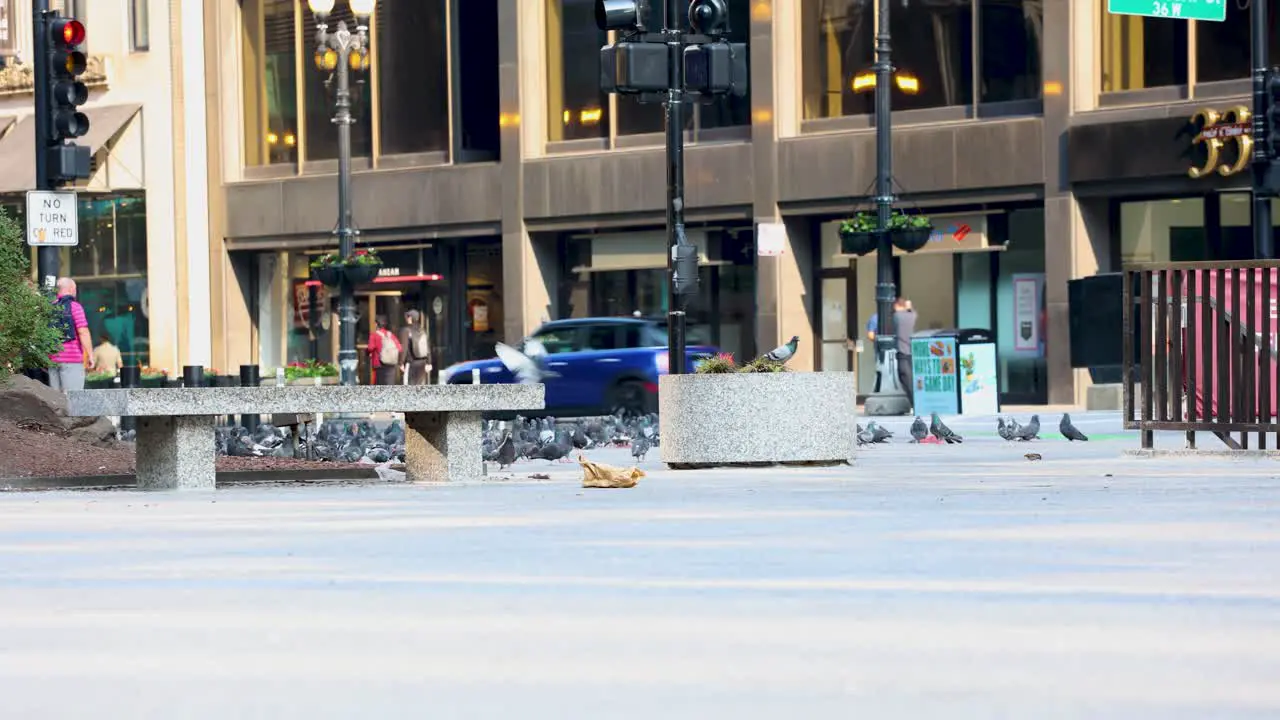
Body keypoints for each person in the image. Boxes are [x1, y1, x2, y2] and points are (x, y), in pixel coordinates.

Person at [48, 277, 94, 391]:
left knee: (56, 400)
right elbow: (83, 332)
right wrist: (90, 355)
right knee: (73, 398)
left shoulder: (50, 307)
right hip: (72, 360)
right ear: (72, 289)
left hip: (52, 360)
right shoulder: (75, 307)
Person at [893, 296, 917, 408]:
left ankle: (913, 402)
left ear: (897, 305)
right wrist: (909, 306)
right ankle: (914, 402)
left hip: (901, 350)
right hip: (910, 351)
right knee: (910, 377)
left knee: (904, 377)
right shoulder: (912, 316)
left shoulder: (897, 316)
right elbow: (914, 312)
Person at [398, 309, 432, 385]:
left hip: (411, 363)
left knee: (408, 386)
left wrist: (401, 362)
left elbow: (404, 348)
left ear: (410, 318)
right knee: (419, 386)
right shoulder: (422, 330)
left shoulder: (406, 330)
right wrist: (429, 362)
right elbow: (428, 348)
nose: (406, 318)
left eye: (407, 317)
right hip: (422, 363)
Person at [367, 315, 401, 385]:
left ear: (376, 324)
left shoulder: (374, 335)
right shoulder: (390, 335)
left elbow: (370, 348)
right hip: (391, 364)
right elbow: (399, 348)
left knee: (379, 388)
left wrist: (368, 353)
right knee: (389, 387)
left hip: (379, 365)